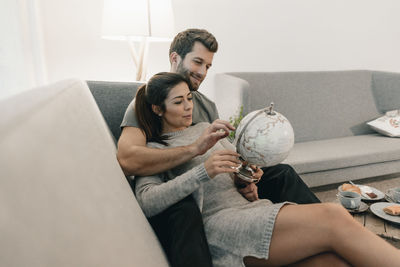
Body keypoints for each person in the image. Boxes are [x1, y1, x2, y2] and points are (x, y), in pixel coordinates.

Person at [134, 71, 400, 267]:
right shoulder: (156, 149)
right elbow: (147, 200)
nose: (188, 106)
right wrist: (203, 170)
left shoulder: (205, 128)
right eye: (178, 102)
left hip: (251, 209)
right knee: (333, 216)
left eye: (189, 98)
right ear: (158, 109)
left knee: (331, 262)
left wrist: (246, 177)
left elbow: (236, 169)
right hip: (222, 225)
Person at [117, 29, 319, 267]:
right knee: (186, 209)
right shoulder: (146, 102)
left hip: (218, 187)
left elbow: (226, 159)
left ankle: (314, 231)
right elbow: (129, 159)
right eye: (197, 62)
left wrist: (245, 177)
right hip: (185, 190)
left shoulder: (206, 106)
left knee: (282, 173)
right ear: (175, 58)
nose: (202, 72)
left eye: (208, 66)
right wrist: (195, 149)